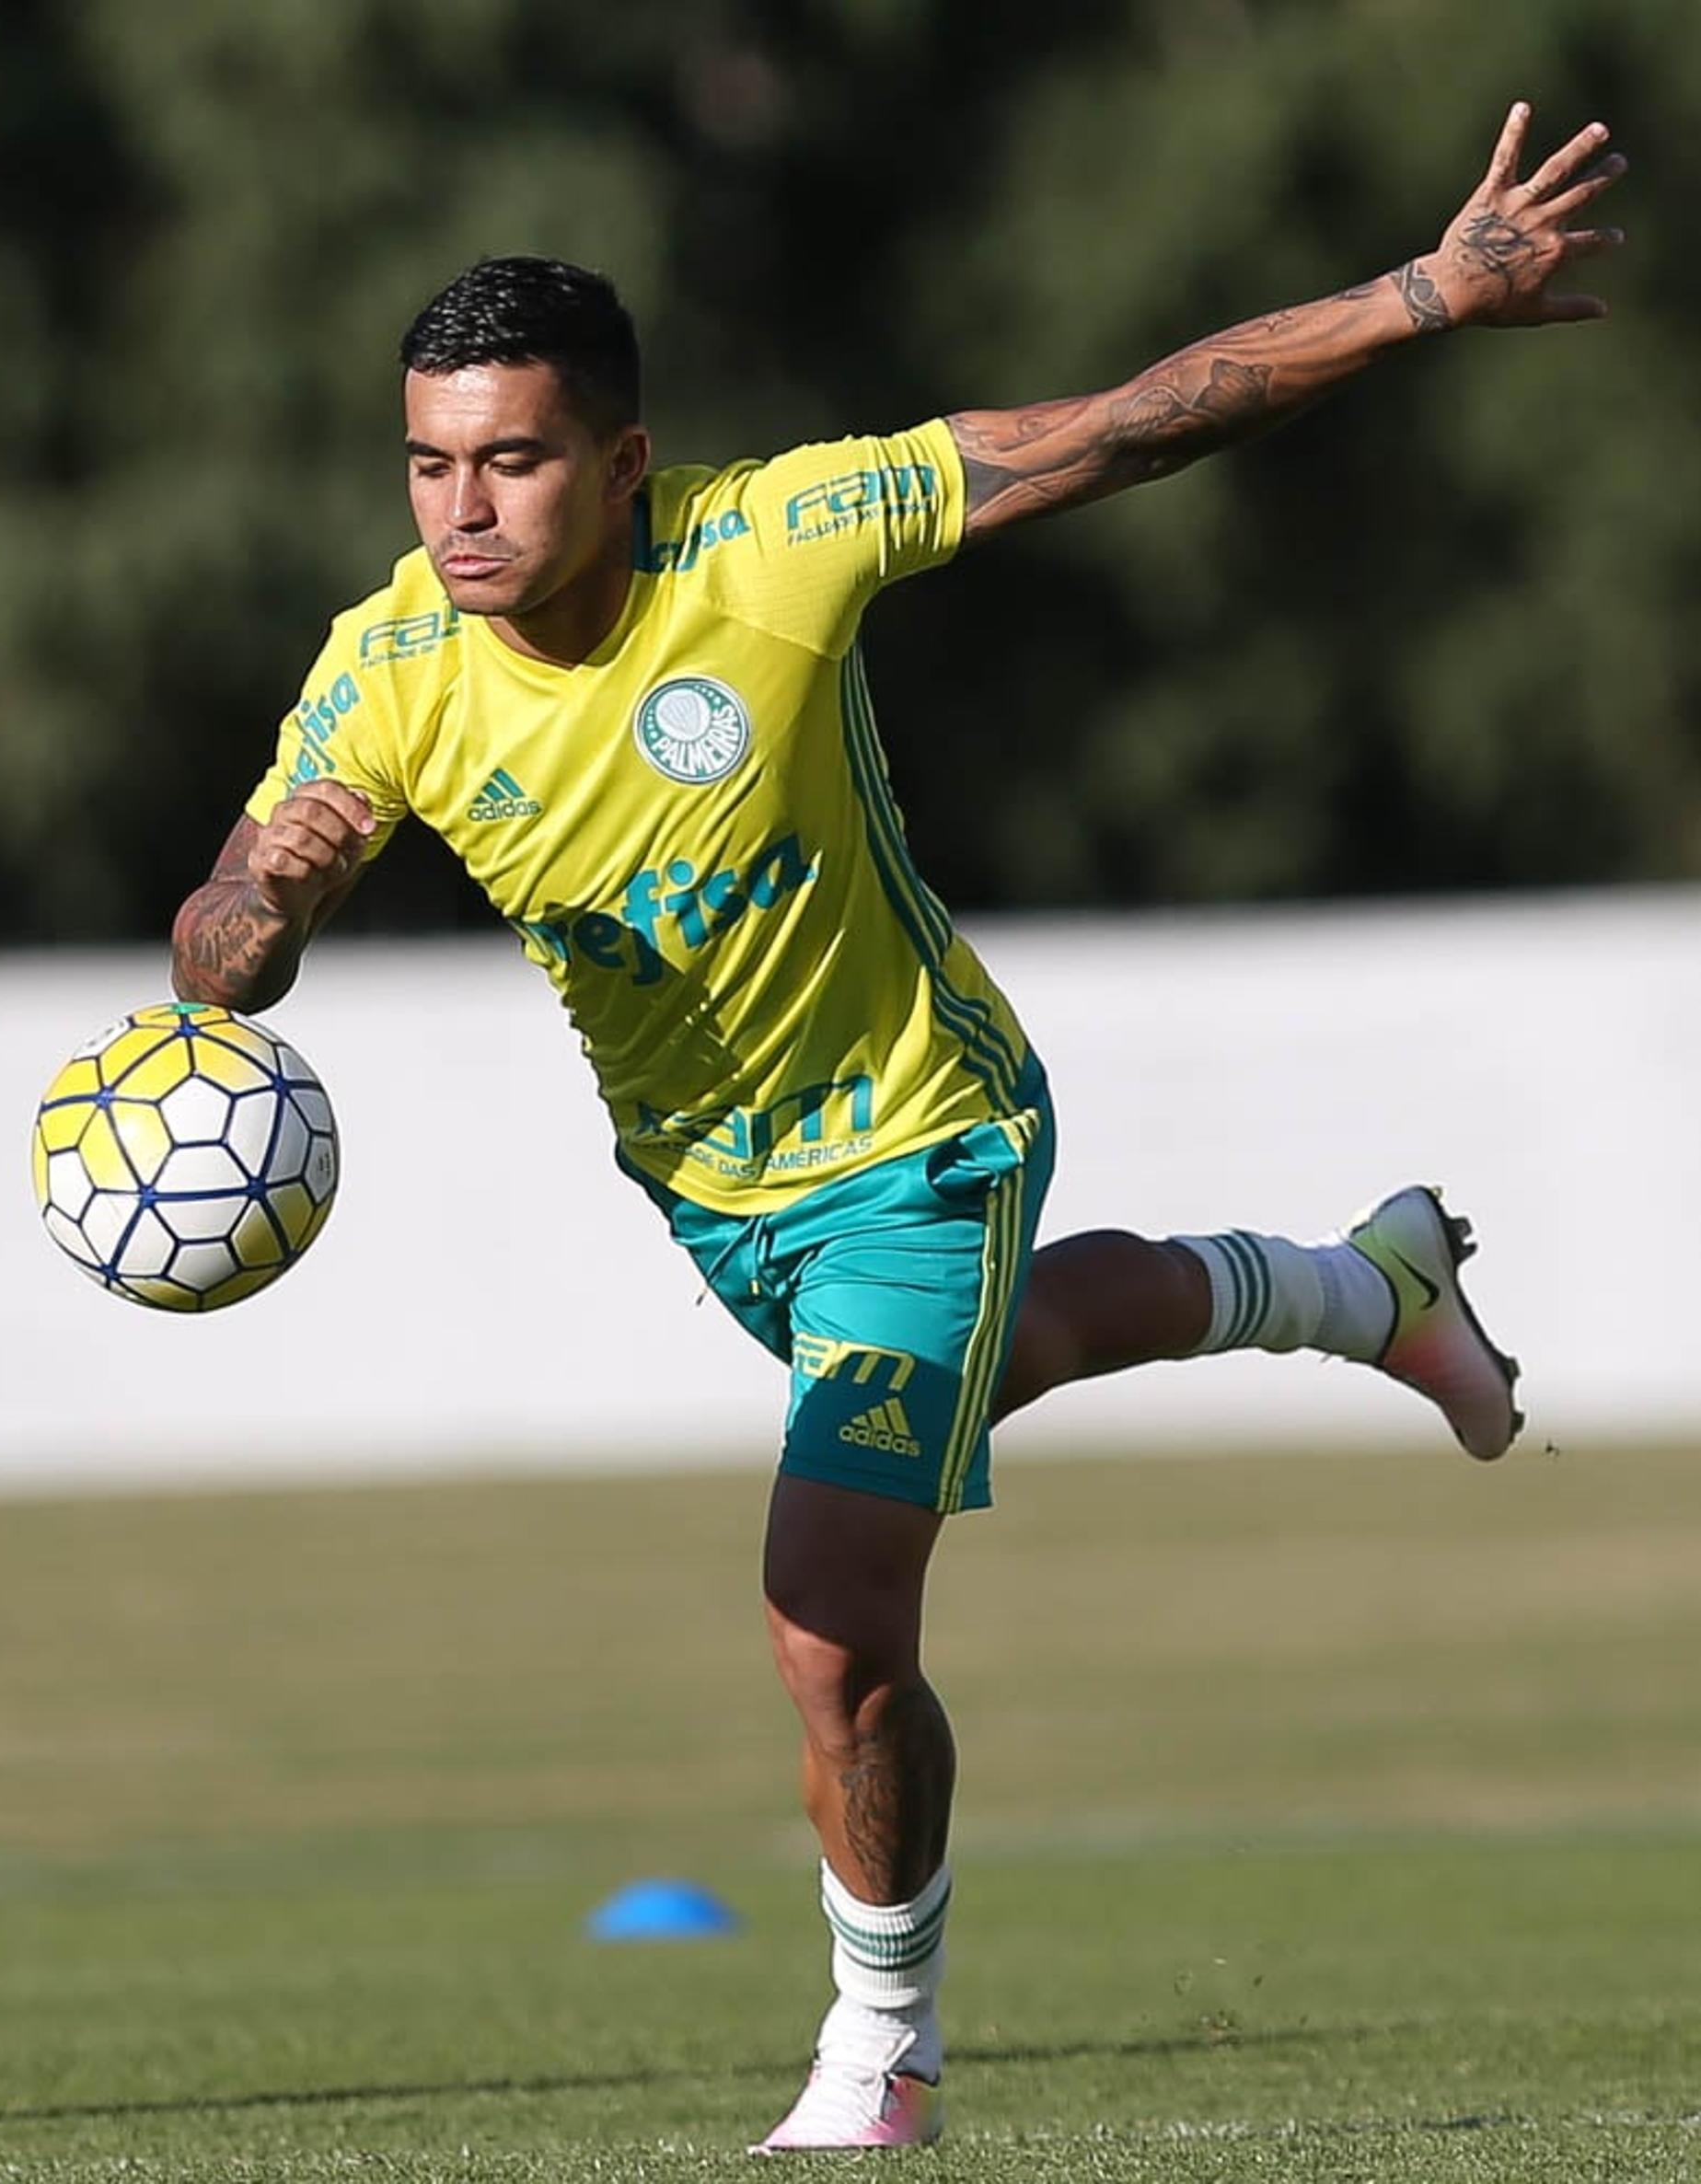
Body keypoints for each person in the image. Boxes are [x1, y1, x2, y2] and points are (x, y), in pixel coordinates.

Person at [170, 102, 1622, 2153]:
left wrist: (1426, 291)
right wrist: (276, 897)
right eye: (427, 461)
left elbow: (1128, 422)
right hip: (714, 1191)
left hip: (926, 1129)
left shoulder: (780, 539)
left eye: (511, 457)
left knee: (828, 1607)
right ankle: (1363, 1286)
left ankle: (883, 2053)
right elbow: (213, 950)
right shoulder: (382, 671)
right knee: (993, 1366)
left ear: (625, 461)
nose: (461, 508)